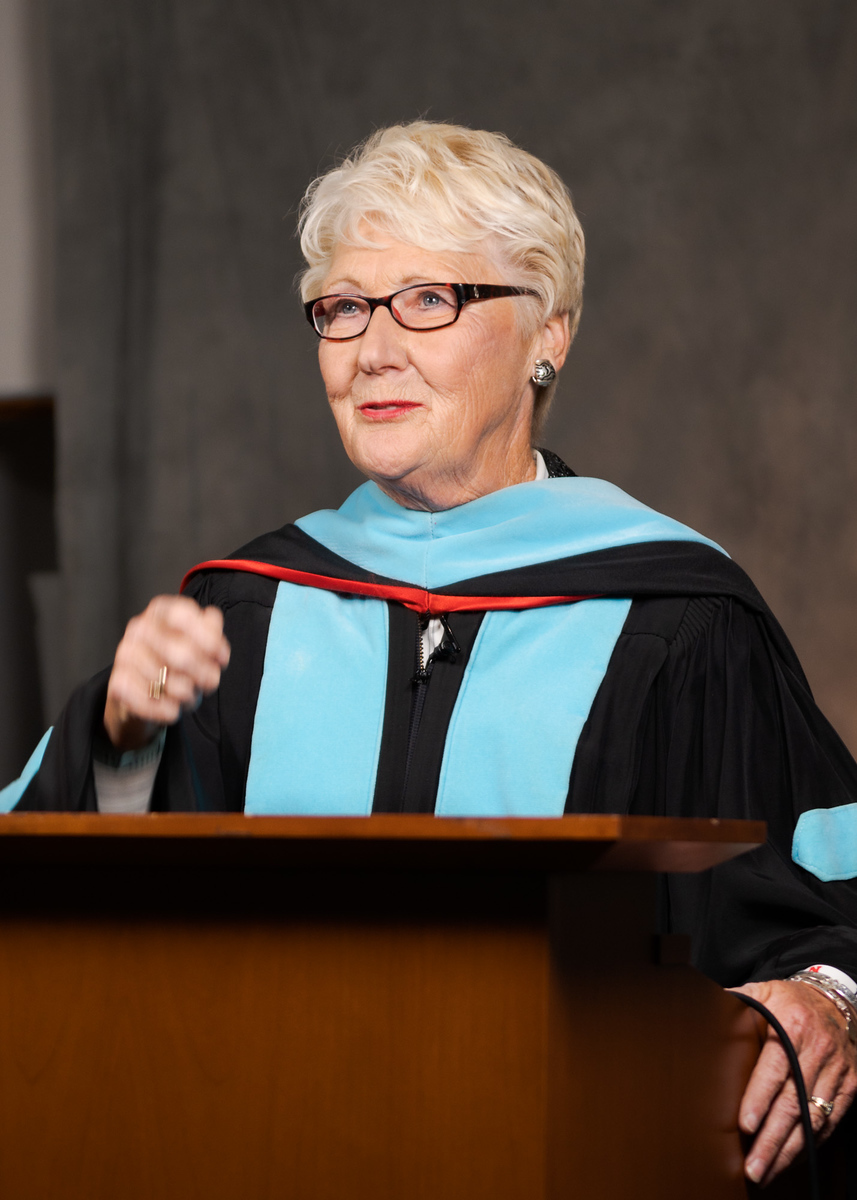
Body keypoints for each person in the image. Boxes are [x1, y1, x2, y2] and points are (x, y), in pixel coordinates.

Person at [2, 121, 856, 1186]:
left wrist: (830, 993)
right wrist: (122, 741)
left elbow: (821, 902)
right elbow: (60, 923)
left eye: (428, 300)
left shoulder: (675, 618)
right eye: (343, 307)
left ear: (549, 332)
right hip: (260, 1155)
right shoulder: (247, 610)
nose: (372, 350)